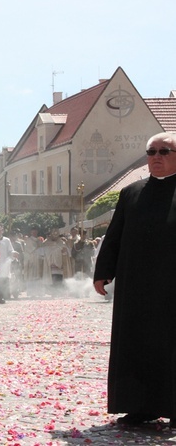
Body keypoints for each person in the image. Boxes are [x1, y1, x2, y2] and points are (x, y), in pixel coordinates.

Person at [94, 132, 176, 426]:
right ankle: (140, 406)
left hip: (173, 288)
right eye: (151, 151)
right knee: (137, 344)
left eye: (164, 151)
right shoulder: (131, 193)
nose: (156, 156)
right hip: (136, 287)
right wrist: (103, 271)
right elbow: (114, 236)